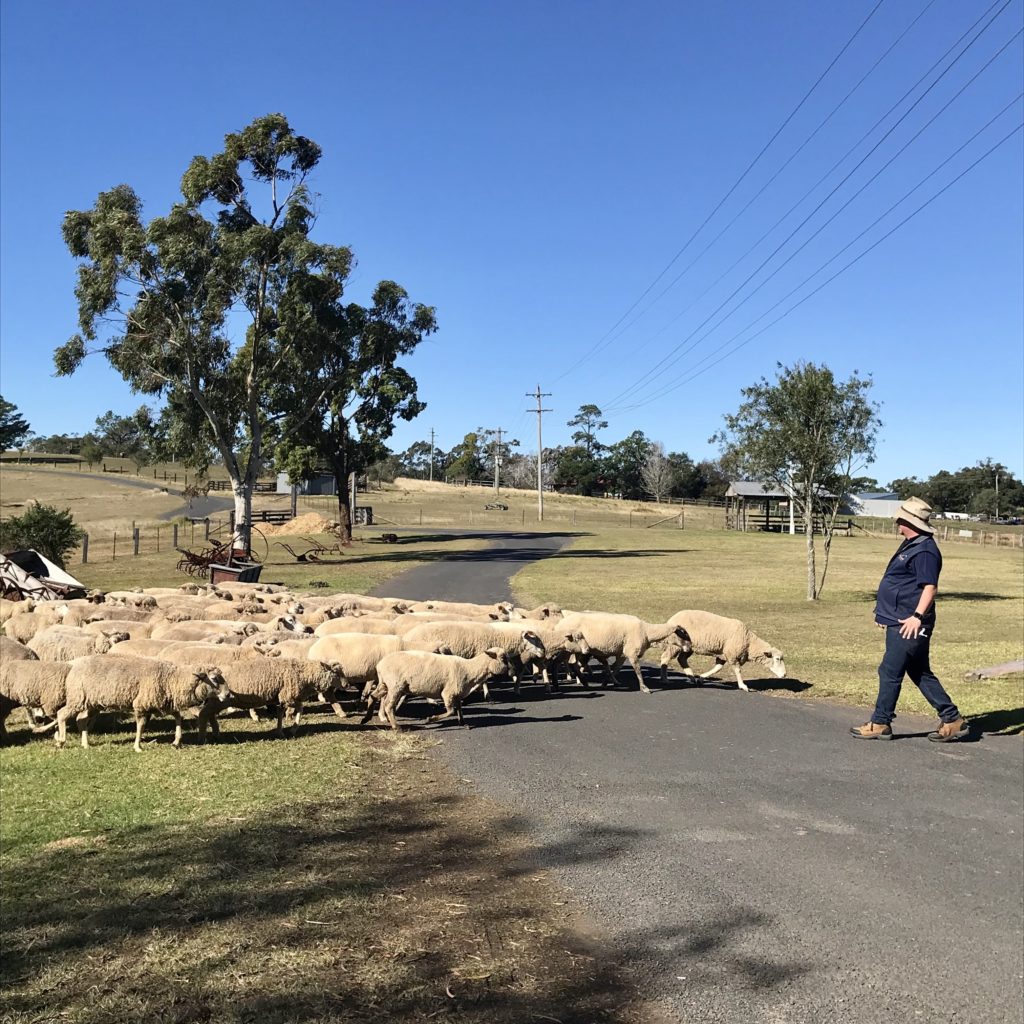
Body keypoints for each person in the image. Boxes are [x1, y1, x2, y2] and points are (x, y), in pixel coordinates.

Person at [850, 496, 969, 742]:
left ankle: (880, 722)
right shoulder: (911, 543)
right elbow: (899, 583)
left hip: (911, 623)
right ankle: (952, 718)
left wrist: (917, 617)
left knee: (890, 670)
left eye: (900, 519)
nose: (896, 522)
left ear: (909, 521)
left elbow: (930, 588)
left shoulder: (925, 550)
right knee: (919, 671)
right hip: (899, 619)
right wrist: (884, 612)